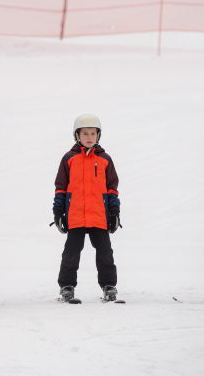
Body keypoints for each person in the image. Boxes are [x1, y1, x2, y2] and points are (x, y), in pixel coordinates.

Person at [52, 114, 121, 303]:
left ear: (98, 135)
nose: (89, 137)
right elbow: (61, 188)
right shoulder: (69, 159)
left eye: (93, 133)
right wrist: (58, 211)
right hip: (76, 216)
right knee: (71, 254)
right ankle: (67, 287)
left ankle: (109, 286)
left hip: (99, 216)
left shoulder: (105, 159)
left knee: (105, 253)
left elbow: (112, 189)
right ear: (77, 136)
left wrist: (114, 212)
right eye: (85, 133)